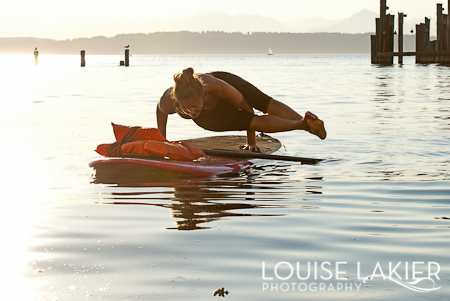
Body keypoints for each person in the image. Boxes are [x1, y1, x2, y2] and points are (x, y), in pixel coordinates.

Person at [156, 67, 326, 152]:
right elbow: (160, 111)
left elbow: (247, 109)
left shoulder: (217, 87)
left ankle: (308, 125)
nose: (190, 111)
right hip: (212, 114)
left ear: (203, 96)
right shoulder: (169, 101)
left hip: (232, 88)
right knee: (249, 121)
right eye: (185, 108)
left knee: (262, 103)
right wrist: (162, 140)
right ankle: (303, 124)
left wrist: (251, 143)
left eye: (194, 106)